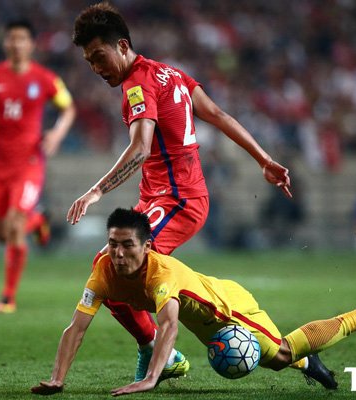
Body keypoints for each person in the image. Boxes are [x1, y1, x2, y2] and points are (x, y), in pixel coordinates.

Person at [65, 2, 292, 382]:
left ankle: (169, 343)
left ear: (122, 46)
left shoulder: (138, 84)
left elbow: (140, 148)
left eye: (99, 56)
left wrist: (95, 192)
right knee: (107, 266)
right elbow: (218, 115)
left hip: (178, 200)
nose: (96, 68)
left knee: (115, 267)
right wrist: (263, 159)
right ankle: (157, 345)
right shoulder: (170, 73)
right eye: (89, 61)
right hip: (161, 197)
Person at [31, 208, 356, 396]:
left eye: (128, 245)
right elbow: (76, 327)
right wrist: (57, 379)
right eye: (113, 244)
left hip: (229, 309)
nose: (118, 253)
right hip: (207, 321)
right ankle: (309, 361)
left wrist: (151, 378)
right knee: (272, 362)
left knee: (282, 354)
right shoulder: (102, 272)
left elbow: (169, 326)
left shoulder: (161, 274)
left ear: (147, 246)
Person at [0, 20, 76, 313]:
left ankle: (7, 297)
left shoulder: (45, 78)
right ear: (5, 43)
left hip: (30, 164)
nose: (16, 44)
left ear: (31, 44)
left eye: (22, 38)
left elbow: (68, 108)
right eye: (11, 38)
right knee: (1, 234)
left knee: (14, 227)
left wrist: (56, 134)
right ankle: (38, 222)